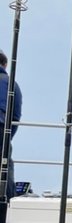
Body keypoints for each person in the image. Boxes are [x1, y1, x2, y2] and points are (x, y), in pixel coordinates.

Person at [0, 50, 22, 200]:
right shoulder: (11, 83)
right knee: (5, 167)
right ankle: (5, 207)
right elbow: (15, 116)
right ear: (5, 64)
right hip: (1, 129)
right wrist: (8, 136)